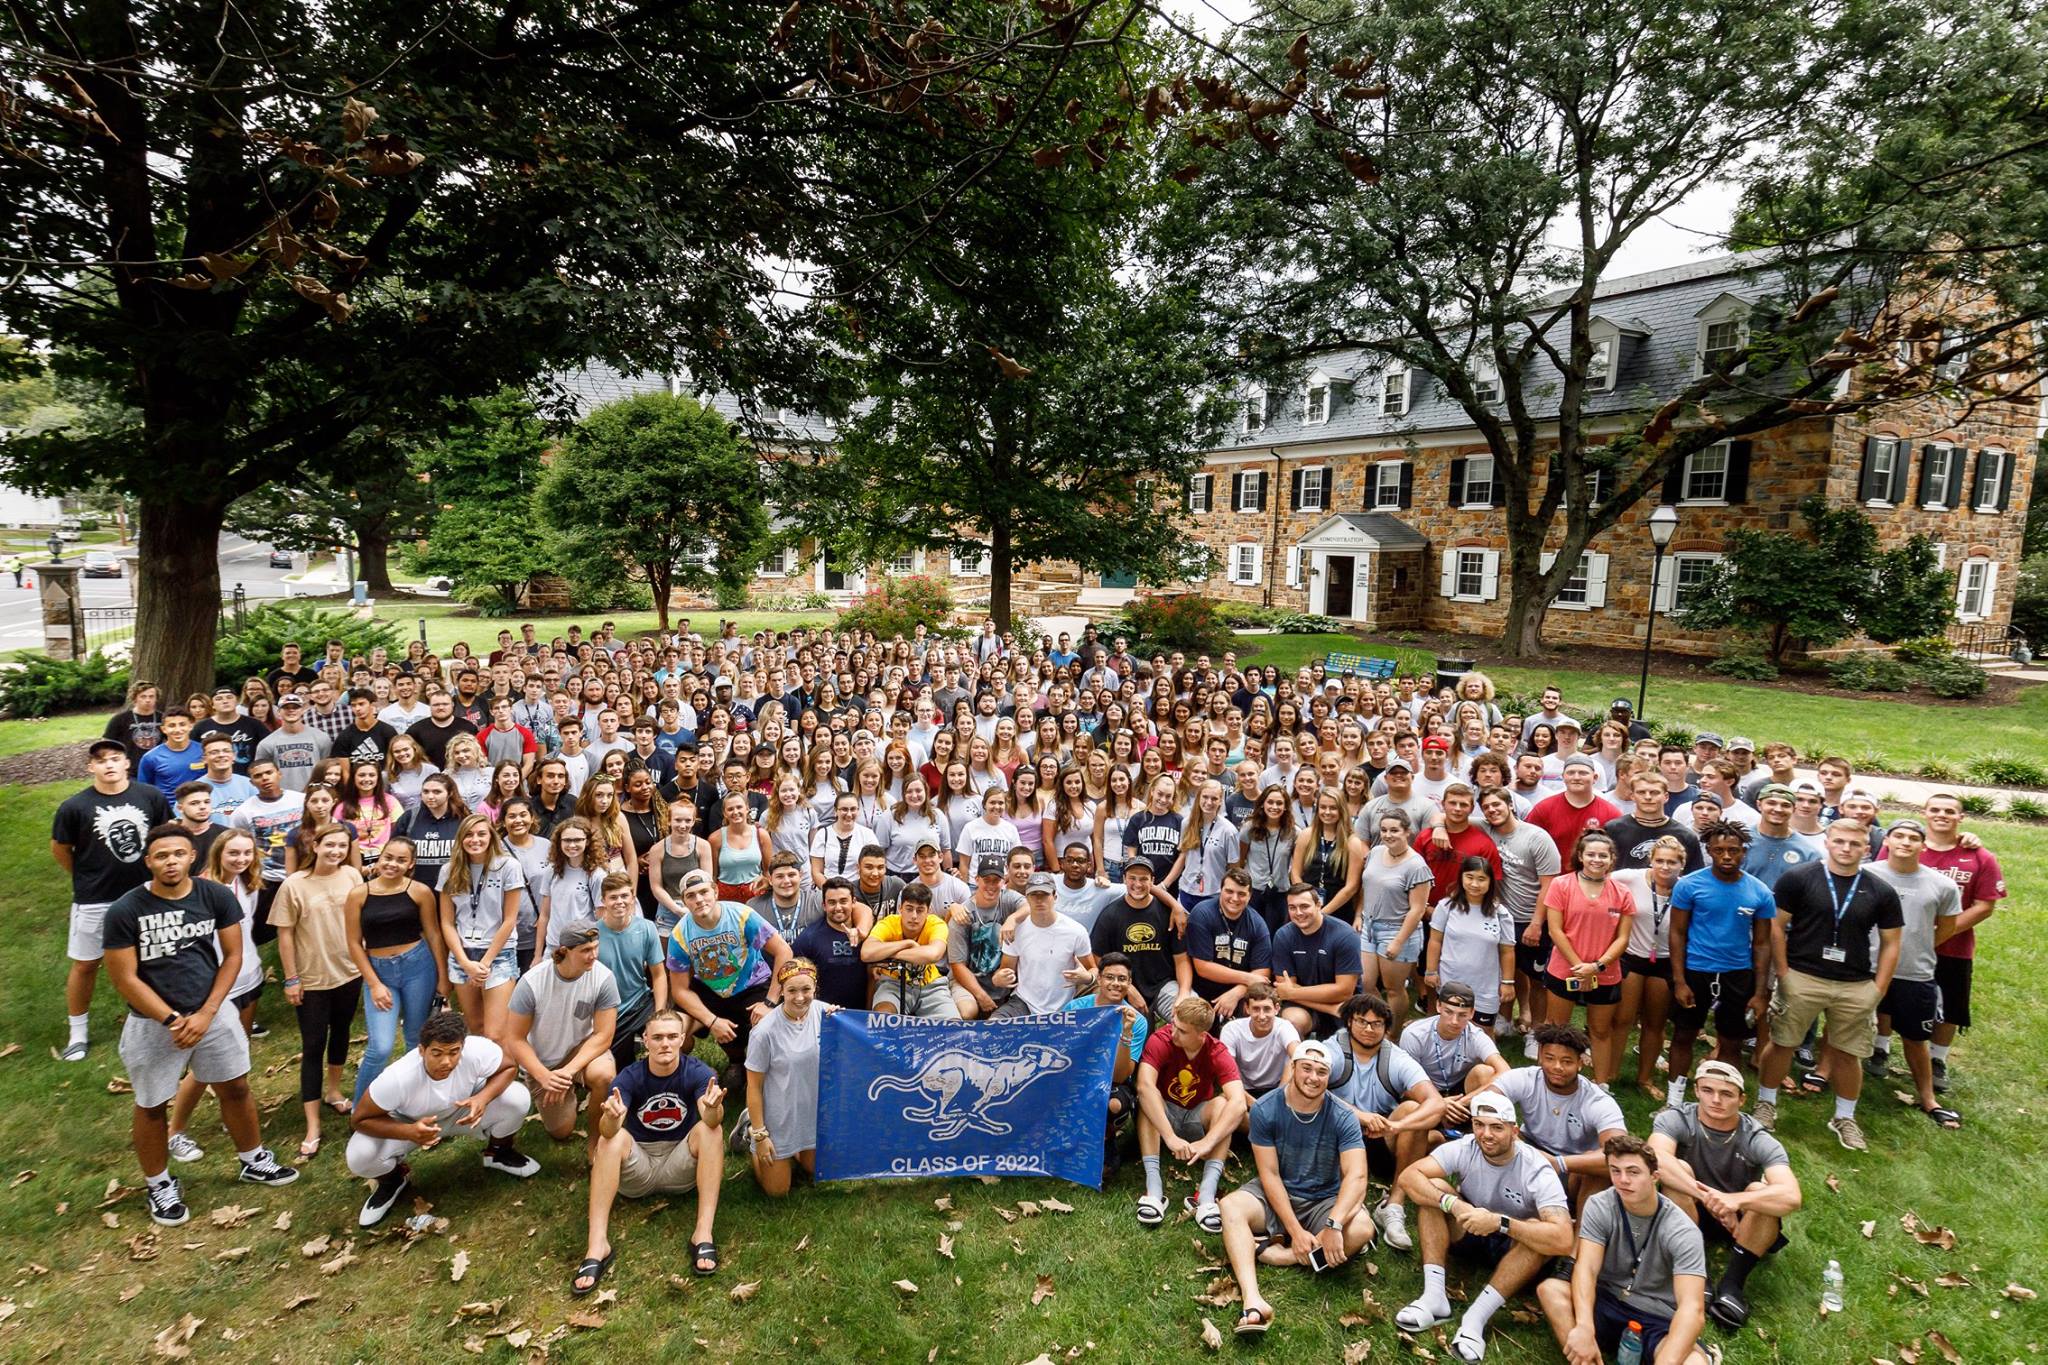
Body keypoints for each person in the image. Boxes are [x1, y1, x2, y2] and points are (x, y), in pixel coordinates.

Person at [101, 824, 301, 1224]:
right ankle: (159, 1184)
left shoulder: (214, 895)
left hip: (213, 1011)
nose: (170, 862)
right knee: (152, 1104)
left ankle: (252, 1159)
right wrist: (173, 1019)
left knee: (236, 1086)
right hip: (153, 1022)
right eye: (161, 856)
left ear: (192, 856)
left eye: (178, 854)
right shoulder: (126, 909)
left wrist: (207, 1012)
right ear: (149, 862)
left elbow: (232, 956)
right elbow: (125, 978)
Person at [1751, 819, 1902, 1151]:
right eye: (1840, 841)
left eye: (1855, 844)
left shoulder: (1880, 890)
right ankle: (1766, 1104)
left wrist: (1879, 988)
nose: (1846, 848)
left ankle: (1844, 1117)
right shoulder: (1800, 878)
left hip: (1855, 984)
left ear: (1867, 848)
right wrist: (1785, 971)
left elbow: (1892, 942)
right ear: (1828, 842)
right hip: (1803, 976)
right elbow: (1776, 926)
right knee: (1782, 1042)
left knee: (1849, 1053)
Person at [1395, 1092, 1576, 1362]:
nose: (1486, 1134)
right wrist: (1454, 1205)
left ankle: (1476, 1319)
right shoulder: (1466, 1146)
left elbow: (1563, 1238)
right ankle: (1434, 1297)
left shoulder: (1537, 1168)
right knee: (1436, 1191)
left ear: (1515, 1131)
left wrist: (1499, 1222)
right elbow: (1410, 1176)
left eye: (1497, 1127)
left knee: (1541, 1230)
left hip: (1512, 1245)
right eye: (1479, 1124)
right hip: (1469, 1225)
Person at [1221, 1038, 1376, 1337]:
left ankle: (1282, 1256)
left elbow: (1357, 1178)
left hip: (1324, 1200)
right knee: (1230, 1206)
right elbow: (1269, 1175)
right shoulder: (1266, 1108)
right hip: (1277, 1192)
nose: (1313, 1078)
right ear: (1293, 1068)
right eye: (1306, 1068)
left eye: (1321, 1072)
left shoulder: (1343, 1116)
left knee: (1362, 1229)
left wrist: (1334, 1224)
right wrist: (1295, 1230)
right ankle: (1253, 1301)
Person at [576, 1008, 727, 1293]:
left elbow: (710, 1121)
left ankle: (702, 1233)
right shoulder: (628, 1078)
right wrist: (610, 1119)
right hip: (638, 1166)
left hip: (679, 1165)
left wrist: (712, 1110)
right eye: (657, 1037)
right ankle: (597, 1245)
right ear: (645, 1040)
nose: (665, 1044)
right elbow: (609, 1132)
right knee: (611, 1140)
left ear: (683, 1039)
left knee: (712, 1131)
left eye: (672, 1036)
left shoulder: (700, 1073)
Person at [345, 1009, 538, 1228]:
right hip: (411, 1122)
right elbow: (359, 1119)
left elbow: (509, 1067)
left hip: (463, 1111)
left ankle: (499, 1152)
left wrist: (482, 1098)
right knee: (359, 1155)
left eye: (454, 1052)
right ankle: (393, 1179)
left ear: (462, 1047)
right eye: (437, 1053)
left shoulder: (476, 1049)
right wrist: (408, 1131)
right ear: (421, 1050)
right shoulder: (397, 1077)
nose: (446, 1061)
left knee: (518, 1098)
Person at [1537, 1135, 1716, 1365]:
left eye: (1633, 1172)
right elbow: (1587, 1269)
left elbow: (1692, 1308)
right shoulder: (1599, 1205)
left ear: (1654, 1177)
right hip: (1608, 1299)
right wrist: (1583, 1326)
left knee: (1694, 1362)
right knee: (1551, 1290)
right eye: (1615, 1171)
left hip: (1657, 1317)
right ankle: (1586, 1356)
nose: (1623, 1180)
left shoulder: (1682, 1230)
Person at [1651, 1060, 1803, 1330]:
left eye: (1727, 1094)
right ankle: (1699, 1273)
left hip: (1740, 1223)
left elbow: (1791, 1196)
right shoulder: (1676, 1118)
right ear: (1696, 1090)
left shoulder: (1756, 1136)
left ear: (1742, 1100)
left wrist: (1735, 1201)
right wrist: (1713, 1200)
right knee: (1678, 1171)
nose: (1716, 1100)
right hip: (1690, 1211)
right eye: (1707, 1090)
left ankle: (1733, 1284)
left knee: (1760, 1192)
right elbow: (1655, 1161)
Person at [52, 738, 171, 1061]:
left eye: (115, 758)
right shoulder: (74, 807)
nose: (108, 765)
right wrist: (84, 876)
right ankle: (78, 1032)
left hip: (147, 894)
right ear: (91, 767)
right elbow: (61, 849)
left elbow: (166, 837)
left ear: (126, 763)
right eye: (101, 760)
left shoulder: (150, 796)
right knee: (86, 963)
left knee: (155, 959)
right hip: (95, 897)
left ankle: (160, 1019)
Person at [270, 820, 366, 1160]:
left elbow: (360, 920)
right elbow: (284, 935)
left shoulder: (353, 877)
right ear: (315, 846)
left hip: (349, 972)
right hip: (311, 978)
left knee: (341, 1032)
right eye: (330, 845)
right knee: (313, 1045)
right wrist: (291, 978)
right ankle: (312, 1124)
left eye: (342, 846)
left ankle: (335, 1090)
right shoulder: (294, 885)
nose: (336, 851)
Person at [1863, 818, 1963, 1128]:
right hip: (1866, 967)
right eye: (1899, 836)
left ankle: (1928, 1097)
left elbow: (1947, 927)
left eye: (1913, 837)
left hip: (1914, 972)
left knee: (1915, 1037)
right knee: (1845, 1026)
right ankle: (1826, 1073)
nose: (1906, 842)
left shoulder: (1942, 885)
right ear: (1887, 841)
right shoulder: (1866, 875)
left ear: (1923, 844)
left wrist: (1918, 946)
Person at [1326, 990, 1444, 1250]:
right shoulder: (1332, 1049)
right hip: (1336, 1138)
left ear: (1386, 1027)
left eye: (1377, 1023)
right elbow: (1304, 1087)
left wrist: (1397, 1125)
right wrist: (1359, 1115)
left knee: (1413, 1108)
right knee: (1434, 1141)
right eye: (1362, 1021)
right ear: (1349, 1022)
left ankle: (1393, 1205)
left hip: (1380, 1137)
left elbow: (1436, 1104)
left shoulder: (1396, 1058)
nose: (1369, 1029)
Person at [1666, 822, 1775, 1100]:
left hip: (1737, 973)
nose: (1727, 856)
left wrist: (1760, 992)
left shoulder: (1759, 891)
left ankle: (1723, 1098)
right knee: (1683, 1035)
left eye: (1733, 851)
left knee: (1731, 1041)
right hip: (1696, 970)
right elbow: (1677, 933)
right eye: (1719, 850)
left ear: (1744, 852)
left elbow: (1762, 944)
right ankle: (1674, 1100)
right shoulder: (1689, 885)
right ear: (1709, 851)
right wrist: (1679, 980)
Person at [501, 918, 619, 1156]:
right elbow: (514, 1038)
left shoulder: (603, 978)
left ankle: (596, 1142)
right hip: (544, 1062)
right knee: (561, 1131)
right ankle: (567, 1093)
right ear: (564, 952)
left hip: (581, 1051)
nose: (594, 955)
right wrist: (544, 1076)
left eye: (596, 947)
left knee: (605, 1075)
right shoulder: (532, 982)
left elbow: (604, 1035)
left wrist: (568, 1070)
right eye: (586, 950)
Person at [343, 836, 447, 1103]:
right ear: (379, 858)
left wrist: (443, 978)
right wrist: (374, 983)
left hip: (417, 967)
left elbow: (434, 935)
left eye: (401, 860)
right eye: (388, 857)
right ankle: (361, 1109)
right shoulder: (359, 894)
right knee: (381, 1046)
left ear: (411, 864)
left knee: (416, 1039)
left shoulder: (419, 891)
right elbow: (354, 943)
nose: (392, 864)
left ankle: (417, 1102)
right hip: (379, 972)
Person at [1134, 994, 1248, 1232]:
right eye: (1174, 1025)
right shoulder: (1161, 1039)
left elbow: (1238, 1102)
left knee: (1224, 1106)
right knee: (1149, 1097)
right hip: (1164, 1116)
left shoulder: (1216, 1051)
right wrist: (1170, 1137)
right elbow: (1144, 1085)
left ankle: (1205, 1195)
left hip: (1197, 1115)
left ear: (1201, 1034)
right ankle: (1153, 1189)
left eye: (1182, 1031)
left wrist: (1208, 1142)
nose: (1174, 1032)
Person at [666, 869, 791, 1080]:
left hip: (751, 984)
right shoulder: (679, 935)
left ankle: (762, 1076)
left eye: (703, 892)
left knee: (768, 1029)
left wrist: (769, 1003)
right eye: (691, 895)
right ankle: (695, 1076)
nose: (699, 900)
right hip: (710, 989)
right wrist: (712, 1021)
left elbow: (784, 951)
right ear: (684, 902)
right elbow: (679, 990)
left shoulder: (742, 915)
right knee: (671, 1029)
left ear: (715, 892)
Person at [1488, 1022, 1630, 1205]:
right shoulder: (1526, 1078)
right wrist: (1514, 1140)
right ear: (1540, 1057)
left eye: (1567, 1061)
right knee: (1494, 1137)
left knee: (1598, 1171)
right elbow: (1486, 1103)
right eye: (1550, 1058)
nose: (1557, 1067)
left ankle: (1582, 1230)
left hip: (1573, 1166)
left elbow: (1620, 1153)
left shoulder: (1598, 1101)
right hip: (1527, 1148)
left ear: (1580, 1063)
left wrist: (1559, 1163)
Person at [1919, 791, 2004, 1091]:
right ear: (1924, 813)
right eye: (1935, 809)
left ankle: (1937, 1059)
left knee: (1951, 1004)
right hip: (1907, 942)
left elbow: (1985, 905)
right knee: (1893, 997)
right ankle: (1880, 1049)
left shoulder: (1980, 856)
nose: (1942, 815)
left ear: (1960, 817)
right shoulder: (1907, 846)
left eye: (1950, 811)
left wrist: (1942, 931)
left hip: (1954, 946)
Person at [1542, 830, 1635, 1083]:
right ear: (1580, 856)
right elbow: (1555, 930)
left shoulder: (1622, 892)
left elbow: (1622, 938)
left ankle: (1601, 1085)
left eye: (1603, 855)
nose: (1597, 860)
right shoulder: (1562, 885)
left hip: (1606, 973)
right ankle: (1551, 1079)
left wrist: (1597, 966)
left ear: (1612, 859)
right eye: (1591, 854)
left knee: (1601, 1030)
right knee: (1556, 1029)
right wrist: (1579, 966)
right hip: (1565, 970)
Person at [1478, 786, 1561, 1044]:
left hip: (1531, 918)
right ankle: (1503, 1020)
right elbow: (1447, 817)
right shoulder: (1485, 829)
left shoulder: (1536, 837)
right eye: (1486, 807)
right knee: (1504, 973)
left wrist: (1537, 924)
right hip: (1500, 918)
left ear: (1510, 805)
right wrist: (1437, 826)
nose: (1492, 810)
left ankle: (1536, 1032)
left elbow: (1549, 884)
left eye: (1497, 805)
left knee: (1537, 980)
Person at [744, 958, 829, 1197]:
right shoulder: (764, 1032)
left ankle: (799, 1149)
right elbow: (753, 1086)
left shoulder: (827, 1014)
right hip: (778, 1117)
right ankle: (750, 1129)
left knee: (816, 1171)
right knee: (778, 1191)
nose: (800, 997)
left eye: (806, 989)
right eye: (792, 990)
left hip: (812, 1113)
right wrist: (761, 1136)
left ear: (815, 988)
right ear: (781, 990)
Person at [437, 813, 526, 1038]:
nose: (474, 839)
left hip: (498, 954)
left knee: (496, 1032)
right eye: (468, 835)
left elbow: (509, 919)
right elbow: (447, 922)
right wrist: (466, 963)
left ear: (491, 837)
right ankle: (482, 1074)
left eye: (481, 834)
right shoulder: (449, 870)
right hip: (462, 954)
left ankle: (504, 1070)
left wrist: (484, 963)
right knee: (475, 1027)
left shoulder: (508, 866)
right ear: (460, 839)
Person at [1071, 953, 1150, 1172]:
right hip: (1075, 1074)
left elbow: (1121, 1076)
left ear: (1129, 983)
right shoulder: (1075, 1008)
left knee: (1113, 1104)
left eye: (1122, 979)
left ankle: (1106, 1142)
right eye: (1110, 977)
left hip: (1110, 1079)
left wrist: (1125, 1034)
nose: (1116, 983)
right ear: (1099, 979)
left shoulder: (1137, 1021)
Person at [1087, 859, 1191, 1022]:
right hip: (1123, 985)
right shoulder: (1110, 915)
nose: (1137, 884)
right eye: (1132, 878)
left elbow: (1182, 960)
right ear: (1124, 880)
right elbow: (1099, 957)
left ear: (1153, 881)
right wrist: (1128, 988)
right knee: (1121, 1028)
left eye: (1143, 879)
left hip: (1163, 985)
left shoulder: (1168, 913)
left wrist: (1184, 993)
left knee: (1189, 1014)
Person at [1424, 856, 1517, 1034]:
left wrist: (1507, 982)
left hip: (1485, 986)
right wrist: (1431, 970)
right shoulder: (1446, 907)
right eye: (1470, 877)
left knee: (1483, 1032)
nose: (1475, 884)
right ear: (1461, 877)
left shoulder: (1500, 913)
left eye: (1481, 879)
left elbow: (1507, 951)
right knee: (1450, 1028)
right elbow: (1435, 941)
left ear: (1490, 882)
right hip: (1450, 979)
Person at [991, 872, 1096, 1016]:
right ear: (1027, 898)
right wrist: (998, 979)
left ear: (1055, 897)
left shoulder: (1076, 931)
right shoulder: (1016, 931)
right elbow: (1004, 971)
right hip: (1024, 1003)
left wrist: (1087, 977)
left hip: (1066, 1006)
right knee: (993, 1025)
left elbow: (1093, 969)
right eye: (1034, 895)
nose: (1039, 900)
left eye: (1044, 894)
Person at [1398, 982, 1511, 1116]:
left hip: (1461, 1094)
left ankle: (1480, 1120)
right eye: (1449, 1012)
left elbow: (1505, 1072)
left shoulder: (1476, 1036)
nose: (1454, 1021)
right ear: (1438, 1006)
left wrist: (1464, 1101)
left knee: (1485, 1072)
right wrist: (1439, 1102)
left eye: (1462, 1015)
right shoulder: (1414, 1035)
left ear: (1472, 1013)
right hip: (1425, 1090)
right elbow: (1404, 1083)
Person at [1271, 882, 1364, 1040]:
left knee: (1353, 1036)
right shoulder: (1283, 936)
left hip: (1344, 1005)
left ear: (1318, 905)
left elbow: (1344, 991)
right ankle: (1297, 1062)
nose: (1298, 913)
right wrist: (1330, 1008)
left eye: (1304, 906)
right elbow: (1285, 988)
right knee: (1292, 1021)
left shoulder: (1345, 935)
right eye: (1292, 907)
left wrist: (1293, 992)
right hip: (1308, 1005)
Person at [595, 872, 667, 1071]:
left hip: (640, 1002)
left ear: (633, 897)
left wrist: (659, 1013)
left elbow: (659, 975)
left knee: (669, 1034)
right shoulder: (592, 935)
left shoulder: (647, 928)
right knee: (618, 1068)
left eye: (624, 896)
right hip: (608, 1010)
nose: (620, 902)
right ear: (603, 901)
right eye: (613, 897)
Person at [1184, 868, 1272, 1020]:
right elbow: (1203, 967)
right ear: (1220, 890)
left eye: (1242, 894)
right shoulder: (1202, 914)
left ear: (1250, 896)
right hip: (1202, 989)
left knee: (1257, 1009)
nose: (1234, 898)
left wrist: (1236, 993)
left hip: (1240, 992)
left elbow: (1262, 973)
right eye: (1229, 891)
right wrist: (1247, 978)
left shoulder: (1257, 924)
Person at [863, 881, 959, 1018]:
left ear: (929, 911)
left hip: (931, 985)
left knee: (953, 1025)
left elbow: (934, 954)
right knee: (882, 1017)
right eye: (909, 909)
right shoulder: (889, 922)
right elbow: (866, 953)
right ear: (900, 908)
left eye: (920, 910)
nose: (914, 916)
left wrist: (889, 955)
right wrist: (907, 943)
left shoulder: (936, 923)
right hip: (893, 982)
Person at [792, 877, 871, 1010]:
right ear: (824, 905)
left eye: (843, 901)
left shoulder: (869, 934)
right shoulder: (809, 938)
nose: (838, 907)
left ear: (854, 902)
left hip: (861, 1015)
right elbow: (795, 979)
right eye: (832, 902)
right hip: (825, 1016)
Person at [1220, 981, 1300, 1100]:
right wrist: (1257, 1106)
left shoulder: (1284, 1027)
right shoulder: (1232, 1029)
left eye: (1267, 1009)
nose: (1262, 1016)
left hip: (1278, 1088)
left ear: (1276, 1009)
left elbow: (1298, 1056)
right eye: (1256, 1009)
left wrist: (1277, 1098)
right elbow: (1227, 1073)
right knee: (1223, 1102)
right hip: (1241, 1089)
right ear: (1247, 1009)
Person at [253, 693, 331, 791]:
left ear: (302, 710)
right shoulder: (266, 743)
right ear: (278, 712)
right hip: (283, 798)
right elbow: (261, 773)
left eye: (295, 707)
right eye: (286, 707)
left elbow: (328, 770)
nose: (291, 710)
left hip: (314, 795)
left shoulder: (321, 737)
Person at [136, 710, 205, 801]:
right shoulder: (151, 757)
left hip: (201, 807)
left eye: (182, 724)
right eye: (172, 726)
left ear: (191, 726)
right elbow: (144, 790)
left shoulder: (204, 751)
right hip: (168, 811)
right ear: (163, 729)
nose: (177, 730)